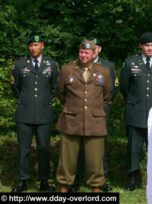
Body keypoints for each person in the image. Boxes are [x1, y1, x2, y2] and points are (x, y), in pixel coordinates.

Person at [55, 39, 112, 193]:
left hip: (95, 121)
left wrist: (94, 109)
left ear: (94, 53)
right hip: (71, 120)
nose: (83, 55)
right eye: (81, 52)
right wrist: (74, 107)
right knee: (67, 159)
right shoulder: (67, 69)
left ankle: (96, 187)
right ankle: (64, 186)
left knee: (95, 159)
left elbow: (107, 95)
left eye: (87, 52)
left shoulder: (104, 71)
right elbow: (61, 93)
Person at [120, 32, 152, 191]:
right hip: (136, 111)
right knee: (133, 149)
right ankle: (132, 179)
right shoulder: (130, 63)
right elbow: (124, 87)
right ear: (141, 46)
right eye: (147, 45)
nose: (150, 48)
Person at [10, 34, 58, 192]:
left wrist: (46, 101)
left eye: (36, 45)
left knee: (44, 148)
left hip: (44, 113)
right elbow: (15, 86)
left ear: (42, 46)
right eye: (31, 45)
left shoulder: (51, 64)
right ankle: (22, 181)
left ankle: (44, 181)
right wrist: (24, 100)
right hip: (24, 113)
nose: (33, 48)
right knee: (23, 149)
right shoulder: (19, 64)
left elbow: (54, 88)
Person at [70, 37, 117, 192]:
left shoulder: (108, 66)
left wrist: (98, 106)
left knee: (99, 147)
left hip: (99, 113)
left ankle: (100, 181)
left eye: (95, 47)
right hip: (80, 113)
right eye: (89, 48)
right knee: (78, 146)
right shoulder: (74, 65)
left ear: (99, 49)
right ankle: (76, 179)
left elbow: (111, 91)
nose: (92, 50)